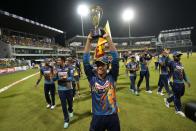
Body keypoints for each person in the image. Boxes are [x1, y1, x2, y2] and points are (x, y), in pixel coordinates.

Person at [83, 33, 120, 131]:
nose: (100, 66)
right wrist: (88, 41)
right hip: (97, 116)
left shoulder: (112, 76)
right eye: (98, 64)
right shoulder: (92, 78)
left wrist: (108, 39)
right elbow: (85, 62)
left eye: (103, 64)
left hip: (112, 115)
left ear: (107, 66)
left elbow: (116, 59)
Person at [164, 51, 191, 117]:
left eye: (180, 56)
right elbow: (166, 63)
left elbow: (183, 74)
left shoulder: (181, 64)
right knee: (177, 96)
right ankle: (178, 110)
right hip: (175, 82)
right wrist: (167, 55)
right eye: (178, 56)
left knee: (181, 94)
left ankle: (168, 100)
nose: (179, 57)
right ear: (174, 57)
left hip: (181, 83)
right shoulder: (172, 63)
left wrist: (187, 81)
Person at [53, 57, 74, 128]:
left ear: (63, 61)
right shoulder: (56, 68)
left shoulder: (69, 67)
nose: (57, 61)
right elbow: (54, 79)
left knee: (70, 102)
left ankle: (70, 109)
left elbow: (72, 78)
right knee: (63, 105)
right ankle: (66, 120)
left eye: (59, 60)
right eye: (57, 60)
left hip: (68, 87)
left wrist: (66, 78)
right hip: (61, 89)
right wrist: (53, 75)